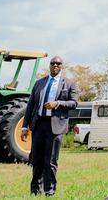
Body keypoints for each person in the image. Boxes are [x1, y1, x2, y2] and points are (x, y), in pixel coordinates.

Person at [23, 56, 79, 197]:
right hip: (39, 124)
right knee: (36, 159)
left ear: (61, 66)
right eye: (53, 63)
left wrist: (58, 103)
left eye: (58, 63)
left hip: (56, 126)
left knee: (51, 160)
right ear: (49, 65)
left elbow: (74, 103)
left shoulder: (69, 83)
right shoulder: (39, 83)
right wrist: (25, 126)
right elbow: (30, 106)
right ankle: (35, 190)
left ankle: (50, 191)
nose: (55, 65)